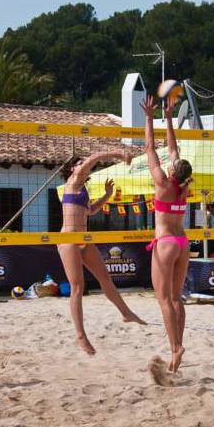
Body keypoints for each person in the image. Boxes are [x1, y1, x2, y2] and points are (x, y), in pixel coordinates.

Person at [58, 152, 145, 355]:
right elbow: (92, 159)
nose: (83, 165)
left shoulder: (83, 188)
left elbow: (90, 210)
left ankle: (126, 313)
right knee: (77, 287)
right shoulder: (73, 181)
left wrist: (107, 195)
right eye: (78, 163)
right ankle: (81, 336)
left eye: (82, 163)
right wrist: (119, 154)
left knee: (105, 278)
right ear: (71, 169)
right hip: (68, 240)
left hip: (84, 239)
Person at [141, 94, 193, 373]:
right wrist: (170, 119)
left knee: (163, 300)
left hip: (165, 242)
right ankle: (177, 349)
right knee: (176, 299)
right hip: (182, 242)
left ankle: (175, 347)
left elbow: (150, 147)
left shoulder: (162, 181)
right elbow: (172, 147)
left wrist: (150, 118)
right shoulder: (183, 186)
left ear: (173, 168)